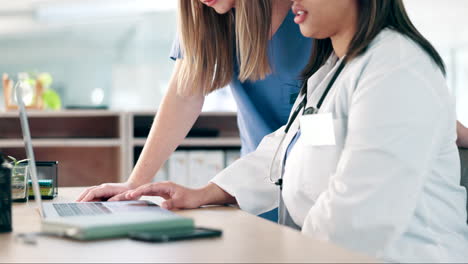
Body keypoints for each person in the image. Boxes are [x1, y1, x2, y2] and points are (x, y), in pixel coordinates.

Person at [115, 0, 468, 262]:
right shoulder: (330, 72)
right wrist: (205, 192)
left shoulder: (396, 69)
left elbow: (358, 219)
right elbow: (287, 147)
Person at [77, 0, 311, 218]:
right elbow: (184, 94)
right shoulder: (206, 16)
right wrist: (134, 184)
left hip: (317, 177)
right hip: (253, 182)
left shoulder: (315, 12)